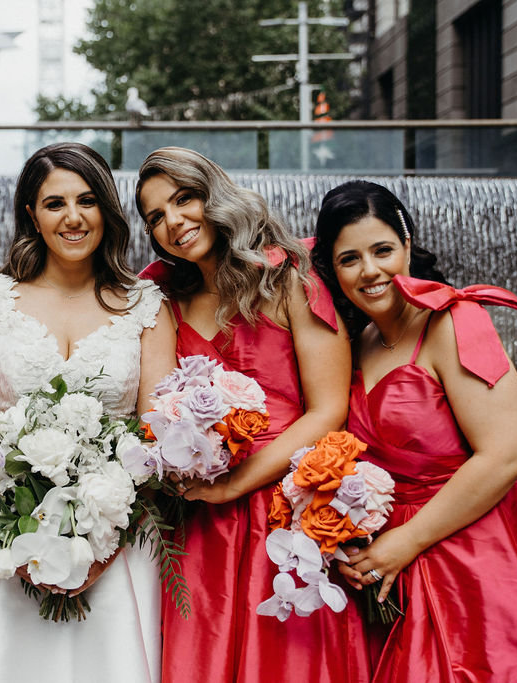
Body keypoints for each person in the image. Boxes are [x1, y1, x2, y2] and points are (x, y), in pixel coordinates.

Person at [312, 180, 517, 681]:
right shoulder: (356, 340)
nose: (370, 271)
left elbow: (507, 453)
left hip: (471, 547)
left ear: (407, 245)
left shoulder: (454, 322)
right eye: (349, 259)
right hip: (386, 564)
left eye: (382, 250)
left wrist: (406, 541)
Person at [0, 143, 176, 683]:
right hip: (4, 539)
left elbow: (155, 440)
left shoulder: (147, 305)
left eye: (87, 201)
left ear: (107, 211)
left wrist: (99, 544)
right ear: (32, 214)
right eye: (55, 203)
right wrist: (20, 534)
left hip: (117, 539)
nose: (73, 217)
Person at [135, 147, 369, 682]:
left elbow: (329, 407)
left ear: (212, 194)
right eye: (156, 217)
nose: (173, 222)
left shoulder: (291, 280)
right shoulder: (167, 302)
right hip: (202, 519)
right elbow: (156, 412)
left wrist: (236, 484)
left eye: (183, 199)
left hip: (288, 504)